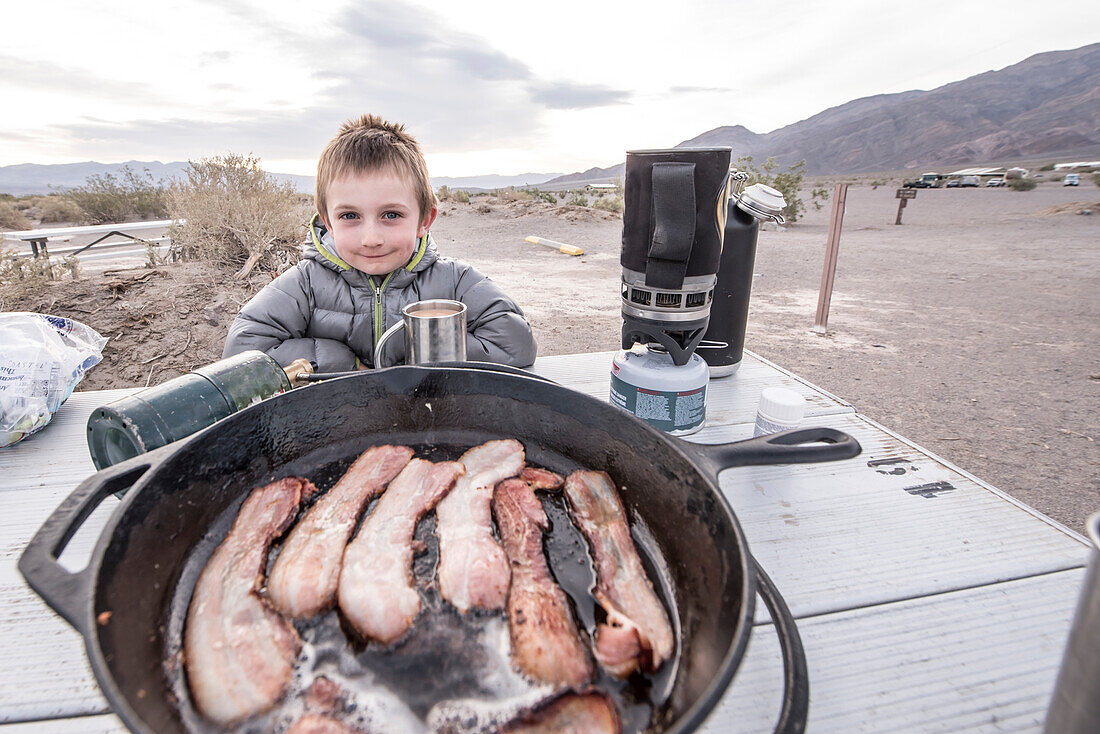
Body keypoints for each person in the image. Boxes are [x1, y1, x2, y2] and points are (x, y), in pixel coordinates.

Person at [223, 114, 537, 371]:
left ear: (424, 220)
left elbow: (515, 345)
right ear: (328, 221)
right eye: (349, 216)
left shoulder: (453, 280)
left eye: (390, 215)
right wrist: (344, 363)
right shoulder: (306, 283)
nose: (371, 239)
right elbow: (242, 353)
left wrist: (419, 347)